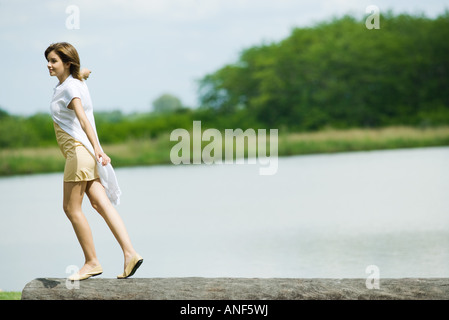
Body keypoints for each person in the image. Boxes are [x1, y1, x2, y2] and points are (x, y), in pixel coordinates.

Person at [45, 42, 143, 281]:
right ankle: (130, 253)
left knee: (70, 208)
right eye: (47, 61)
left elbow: (83, 120)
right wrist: (83, 73)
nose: (48, 65)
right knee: (101, 205)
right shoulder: (76, 81)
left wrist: (100, 150)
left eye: (54, 61)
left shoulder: (70, 89)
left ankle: (91, 262)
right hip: (84, 155)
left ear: (67, 63)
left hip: (79, 154)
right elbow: (82, 74)